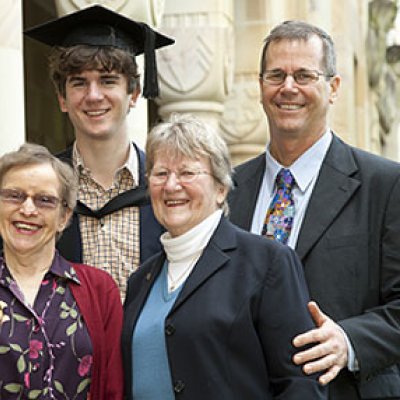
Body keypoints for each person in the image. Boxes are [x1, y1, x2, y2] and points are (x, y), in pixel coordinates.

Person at [228, 20, 400, 399]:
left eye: (304, 75)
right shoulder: (227, 189)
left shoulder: (386, 185)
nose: (288, 88)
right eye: (276, 75)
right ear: (260, 86)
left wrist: (349, 340)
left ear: (333, 87)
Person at [122, 114, 327, 399]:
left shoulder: (267, 263)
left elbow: (301, 383)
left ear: (221, 189)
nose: (171, 186)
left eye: (187, 173)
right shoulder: (139, 282)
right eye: (160, 174)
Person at [24, 5, 174, 297]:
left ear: (133, 94)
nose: (93, 96)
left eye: (108, 81)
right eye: (79, 83)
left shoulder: (168, 187)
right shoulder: (39, 190)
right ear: (62, 98)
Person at [0, 143, 123, 399]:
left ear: (64, 217)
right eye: (14, 195)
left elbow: (113, 389)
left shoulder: (99, 290)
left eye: (45, 200)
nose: (28, 209)